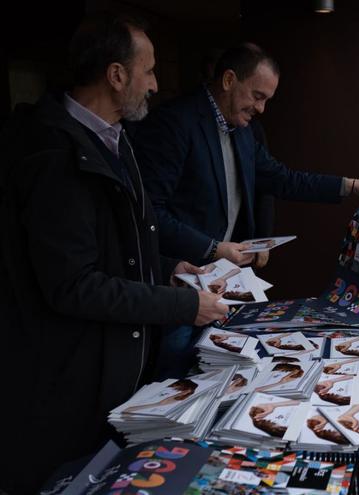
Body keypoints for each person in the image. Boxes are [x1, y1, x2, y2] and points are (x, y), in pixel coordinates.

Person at [0, 13, 228, 493]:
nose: (155, 84)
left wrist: (168, 270)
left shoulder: (111, 139)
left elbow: (113, 251)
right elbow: (73, 284)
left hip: (106, 380)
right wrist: (185, 305)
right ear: (116, 74)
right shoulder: (54, 155)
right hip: (66, 393)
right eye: (148, 71)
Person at [135, 42, 359, 373]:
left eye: (267, 100)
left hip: (227, 287)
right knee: (172, 384)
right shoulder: (173, 123)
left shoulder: (244, 131)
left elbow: (284, 179)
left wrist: (351, 185)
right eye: (257, 96)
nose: (261, 108)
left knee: (215, 380)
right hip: (178, 290)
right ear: (229, 80)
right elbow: (150, 213)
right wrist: (213, 248)